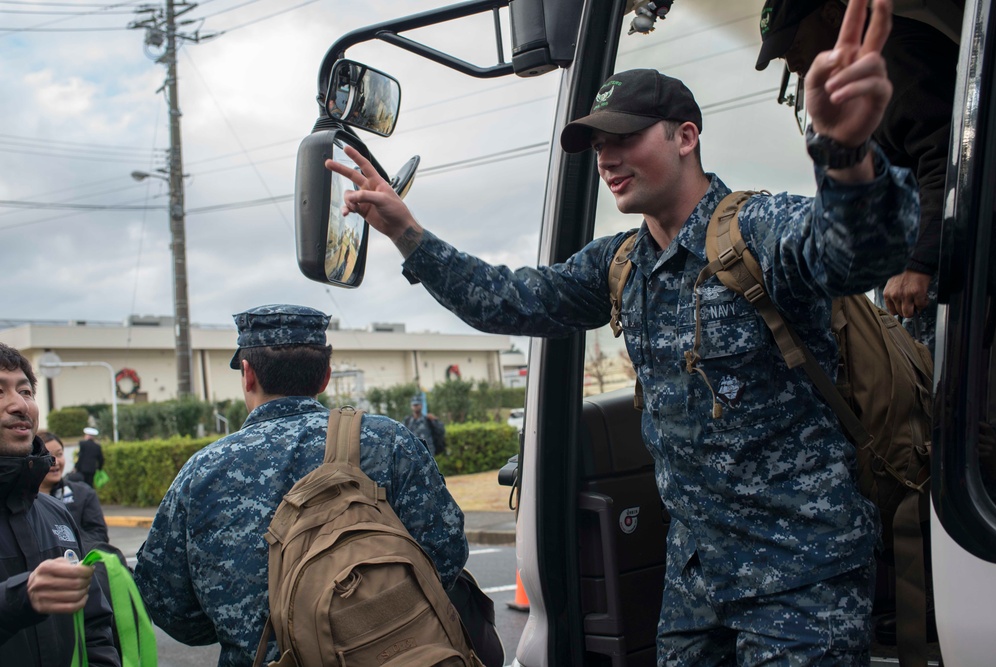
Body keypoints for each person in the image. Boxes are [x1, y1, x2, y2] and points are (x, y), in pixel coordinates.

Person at [326, 0, 918, 662]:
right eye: (598, 144)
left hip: (803, 583)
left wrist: (843, 153)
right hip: (696, 581)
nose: (607, 157)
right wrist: (407, 233)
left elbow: (858, 253)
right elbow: (512, 300)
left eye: (625, 136)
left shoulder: (756, 229)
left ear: (685, 136)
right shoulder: (619, 264)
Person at [133, 304, 468, 667]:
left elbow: (168, 606)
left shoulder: (202, 471)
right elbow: (446, 553)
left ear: (247, 375)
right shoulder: (390, 442)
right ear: (325, 377)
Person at [756, 0, 958, 351]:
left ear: (833, 15)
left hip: (937, 273)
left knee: (935, 393)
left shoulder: (898, 62)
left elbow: (950, 162)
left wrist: (918, 262)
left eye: (794, 45)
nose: (792, 63)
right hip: (909, 271)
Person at [0, 343, 119, 667]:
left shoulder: (56, 514)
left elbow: (95, 628)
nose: (18, 404)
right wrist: (19, 599)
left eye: (25, 391)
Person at [37, 430, 110, 552]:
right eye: (47, 455)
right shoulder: (19, 500)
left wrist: (68, 546)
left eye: (59, 454)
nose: (55, 462)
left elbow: (99, 535)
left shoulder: (83, 493)